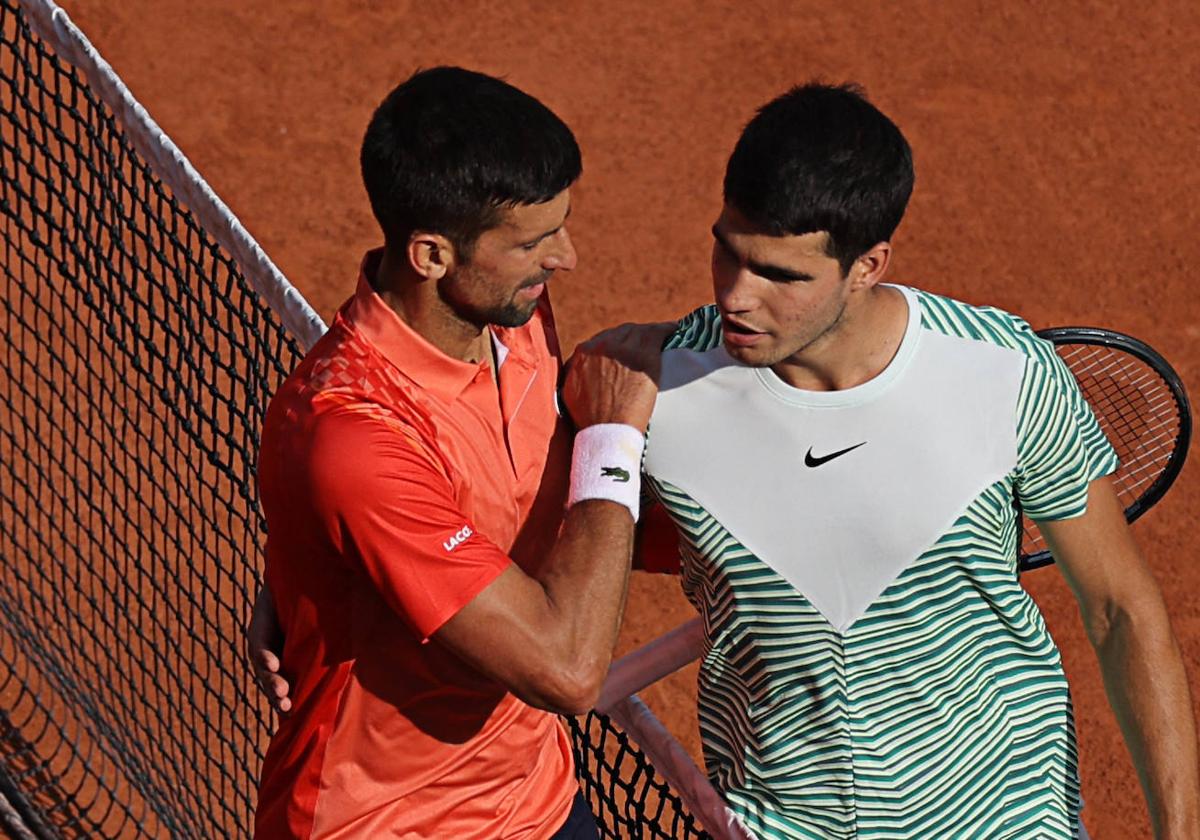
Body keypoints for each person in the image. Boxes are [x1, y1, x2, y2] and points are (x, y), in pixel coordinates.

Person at [633, 82, 1199, 838]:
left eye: (782, 276)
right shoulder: (650, 388)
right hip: (778, 822)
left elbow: (1120, 610)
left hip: (1003, 815)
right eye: (727, 251)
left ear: (868, 265)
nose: (738, 295)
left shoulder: (1002, 373)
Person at [250, 66, 664, 839]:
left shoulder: (514, 316)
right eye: (535, 241)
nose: (565, 258)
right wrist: (614, 437)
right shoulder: (355, 431)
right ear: (432, 256)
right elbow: (567, 670)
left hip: (533, 798)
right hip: (385, 822)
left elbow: (548, 509)